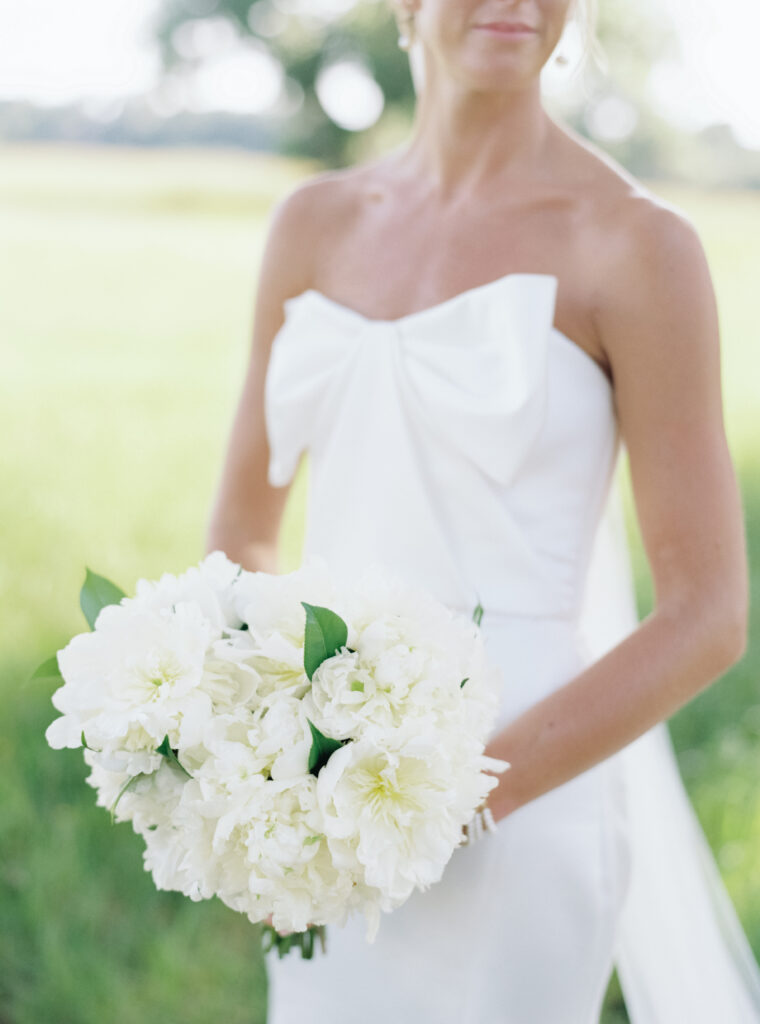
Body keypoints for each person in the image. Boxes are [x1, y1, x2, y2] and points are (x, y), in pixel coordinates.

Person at [205, 0, 760, 1020]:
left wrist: (451, 796)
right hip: (320, 801)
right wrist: (273, 755)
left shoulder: (637, 246)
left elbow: (706, 615)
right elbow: (242, 532)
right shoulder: (314, 224)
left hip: (532, 798)